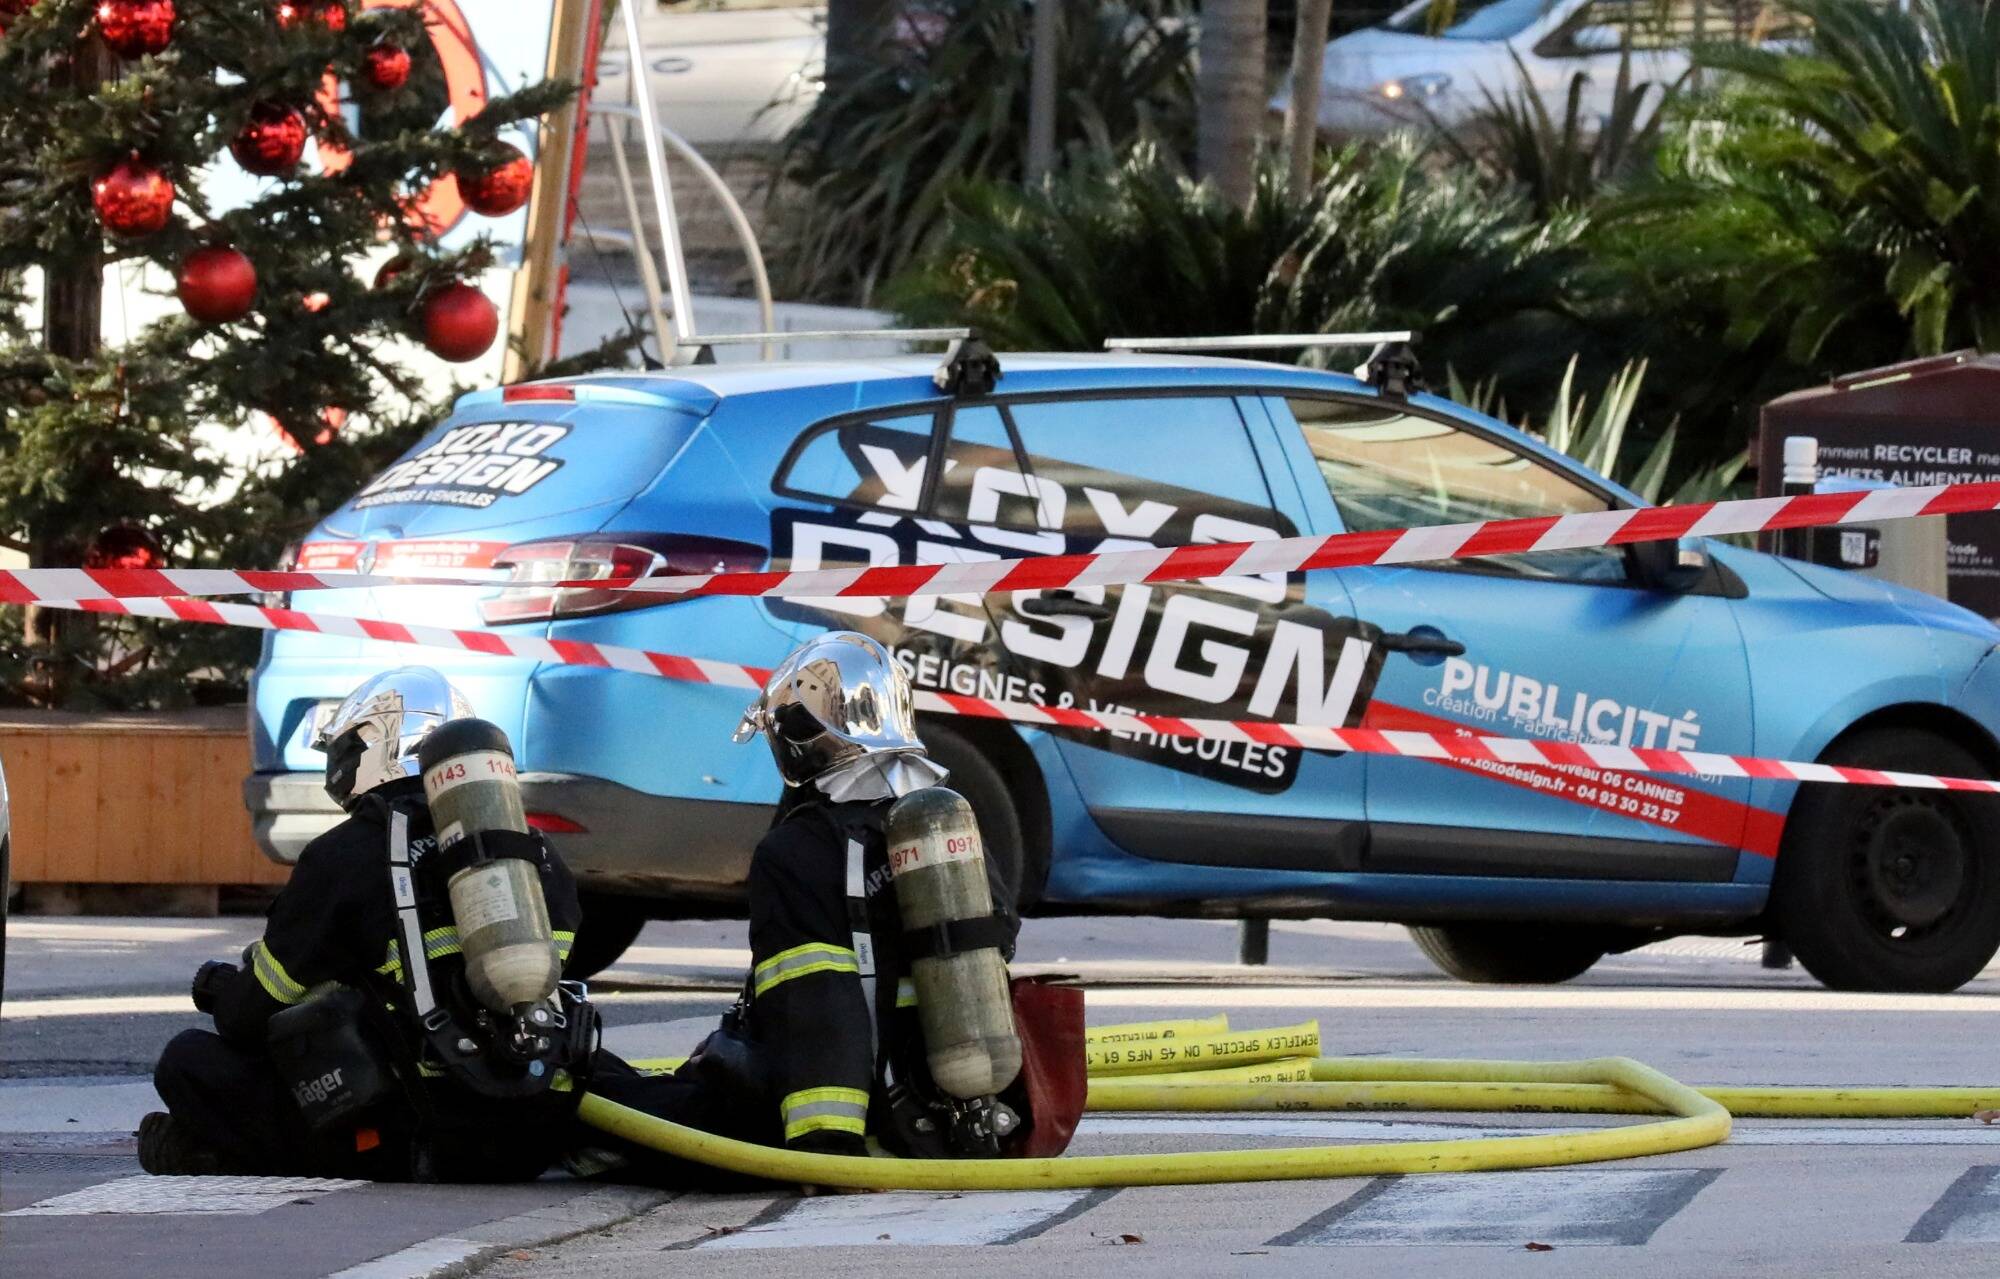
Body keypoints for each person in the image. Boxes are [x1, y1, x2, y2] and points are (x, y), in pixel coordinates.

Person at [581, 630, 1020, 1184]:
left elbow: (811, 999)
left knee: (591, 1096)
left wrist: (822, 1148)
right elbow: (1000, 935)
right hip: (958, 1111)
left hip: (835, 1124)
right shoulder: (945, 820)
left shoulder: (799, 849)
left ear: (800, 735)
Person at [139, 666, 592, 1182]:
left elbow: (248, 1016)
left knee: (190, 1060)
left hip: (412, 1135)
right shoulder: (528, 851)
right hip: (536, 1129)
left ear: (378, 743)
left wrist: (225, 991)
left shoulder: (346, 853)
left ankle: (222, 1154)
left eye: (347, 745)